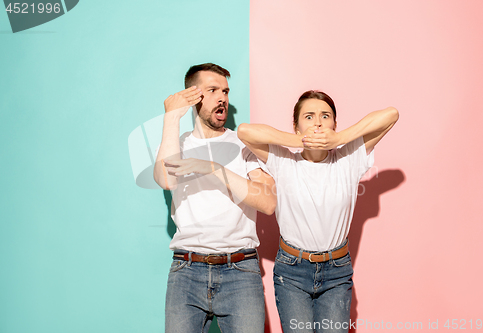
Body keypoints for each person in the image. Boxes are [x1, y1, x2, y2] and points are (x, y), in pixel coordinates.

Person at [237, 90, 399, 333]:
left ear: (334, 123)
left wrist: (340, 138)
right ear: (296, 125)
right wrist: (299, 141)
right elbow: (244, 132)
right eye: (309, 117)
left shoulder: (348, 158)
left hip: (337, 271)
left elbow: (391, 115)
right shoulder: (284, 160)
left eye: (325, 116)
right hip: (291, 271)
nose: (318, 122)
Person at [153, 63, 276, 333]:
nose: (222, 97)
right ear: (194, 95)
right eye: (212, 90)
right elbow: (165, 179)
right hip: (187, 271)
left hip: (240, 271)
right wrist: (171, 117)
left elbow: (268, 202)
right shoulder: (179, 144)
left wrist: (214, 169)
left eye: (226, 91)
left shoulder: (243, 145)